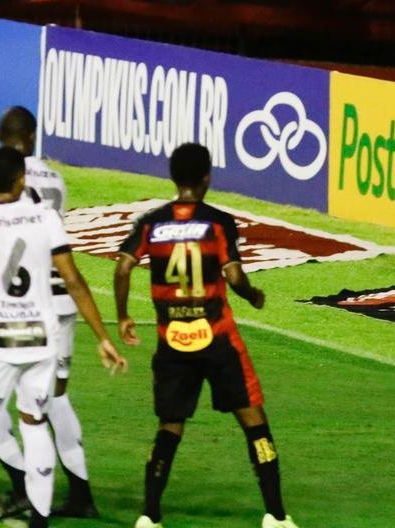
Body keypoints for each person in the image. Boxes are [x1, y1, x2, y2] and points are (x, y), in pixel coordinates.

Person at [0, 146, 127, 528]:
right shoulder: (45, 219)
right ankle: (40, 521)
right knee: (34, 420)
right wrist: (103, 337)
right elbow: (73, 280)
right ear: (22, 179)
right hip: (43, 336)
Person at [115, 142, 299, 528]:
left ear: (173, 177)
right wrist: (252, 295)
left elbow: (123, 268)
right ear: (206, 177)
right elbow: (233, 276)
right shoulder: (218, 222)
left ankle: (149, 516)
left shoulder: (151, 222)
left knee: (170, 425)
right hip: (216, 339)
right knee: (254, 421)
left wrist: (123, 316)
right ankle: (276, 516)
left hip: (173, 341)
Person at [0, 106, 97, 517]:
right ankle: (80, 493)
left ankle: (24, 483)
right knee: (56, 399)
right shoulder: (56, 177)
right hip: (63, 299)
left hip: (23, 304)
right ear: (32, 136)